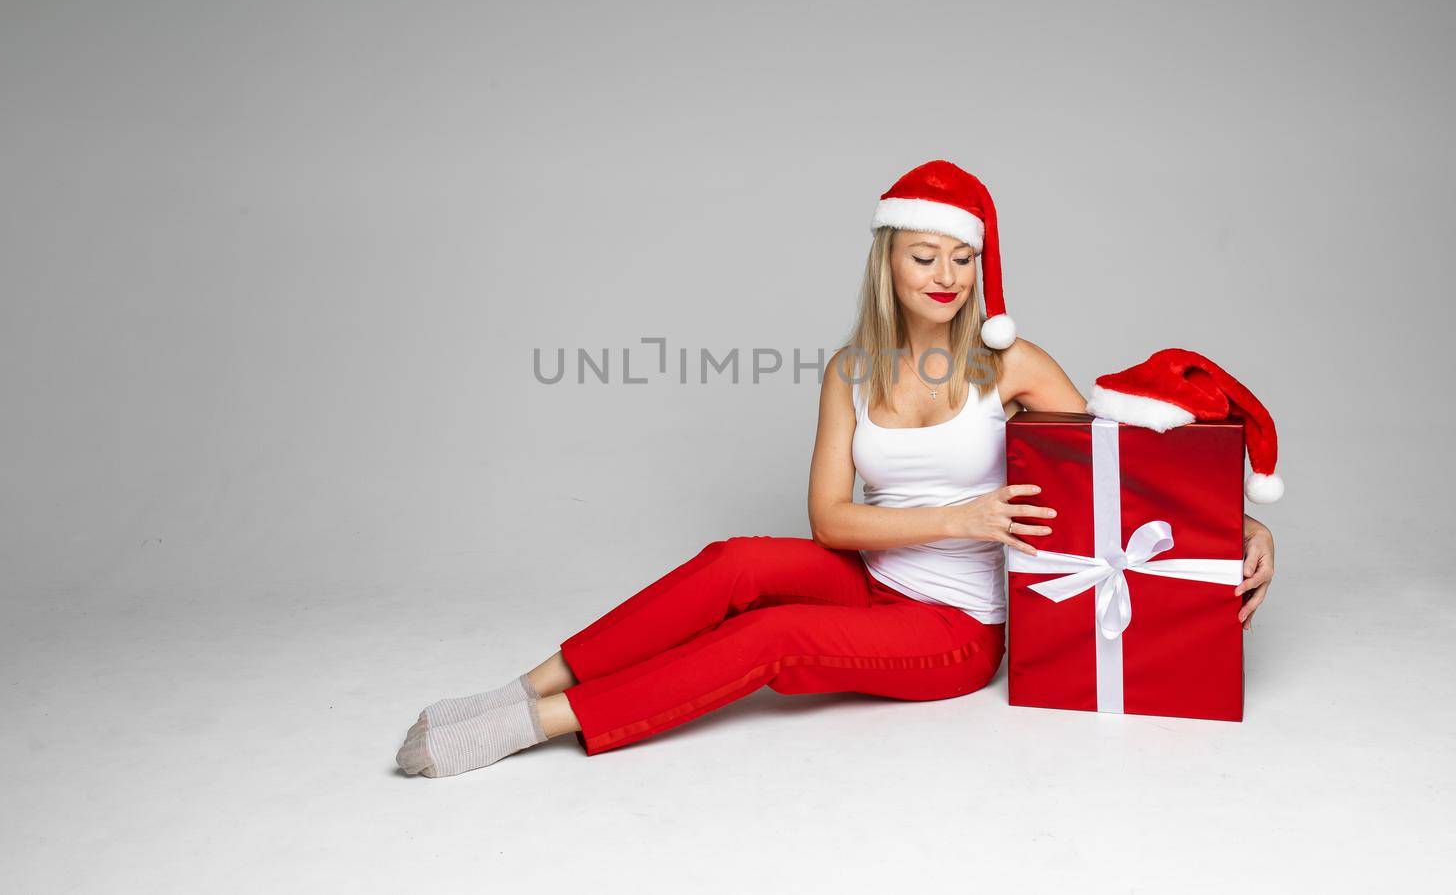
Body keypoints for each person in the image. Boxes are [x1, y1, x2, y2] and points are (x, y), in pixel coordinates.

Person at [396, 160, 1277, 777]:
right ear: (887, 261)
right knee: (733, 563)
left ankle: (533, 725)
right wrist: (960, 515)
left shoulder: (1016, 366)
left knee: (771, 638)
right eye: (924, 255)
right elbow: (829, 519)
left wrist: (1238, 526)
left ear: (981, 268)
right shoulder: (850, 371)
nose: (945, 276)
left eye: (963, 258)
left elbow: (1118, 482)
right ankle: (525, 682)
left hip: (959, 629)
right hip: (869, 575)